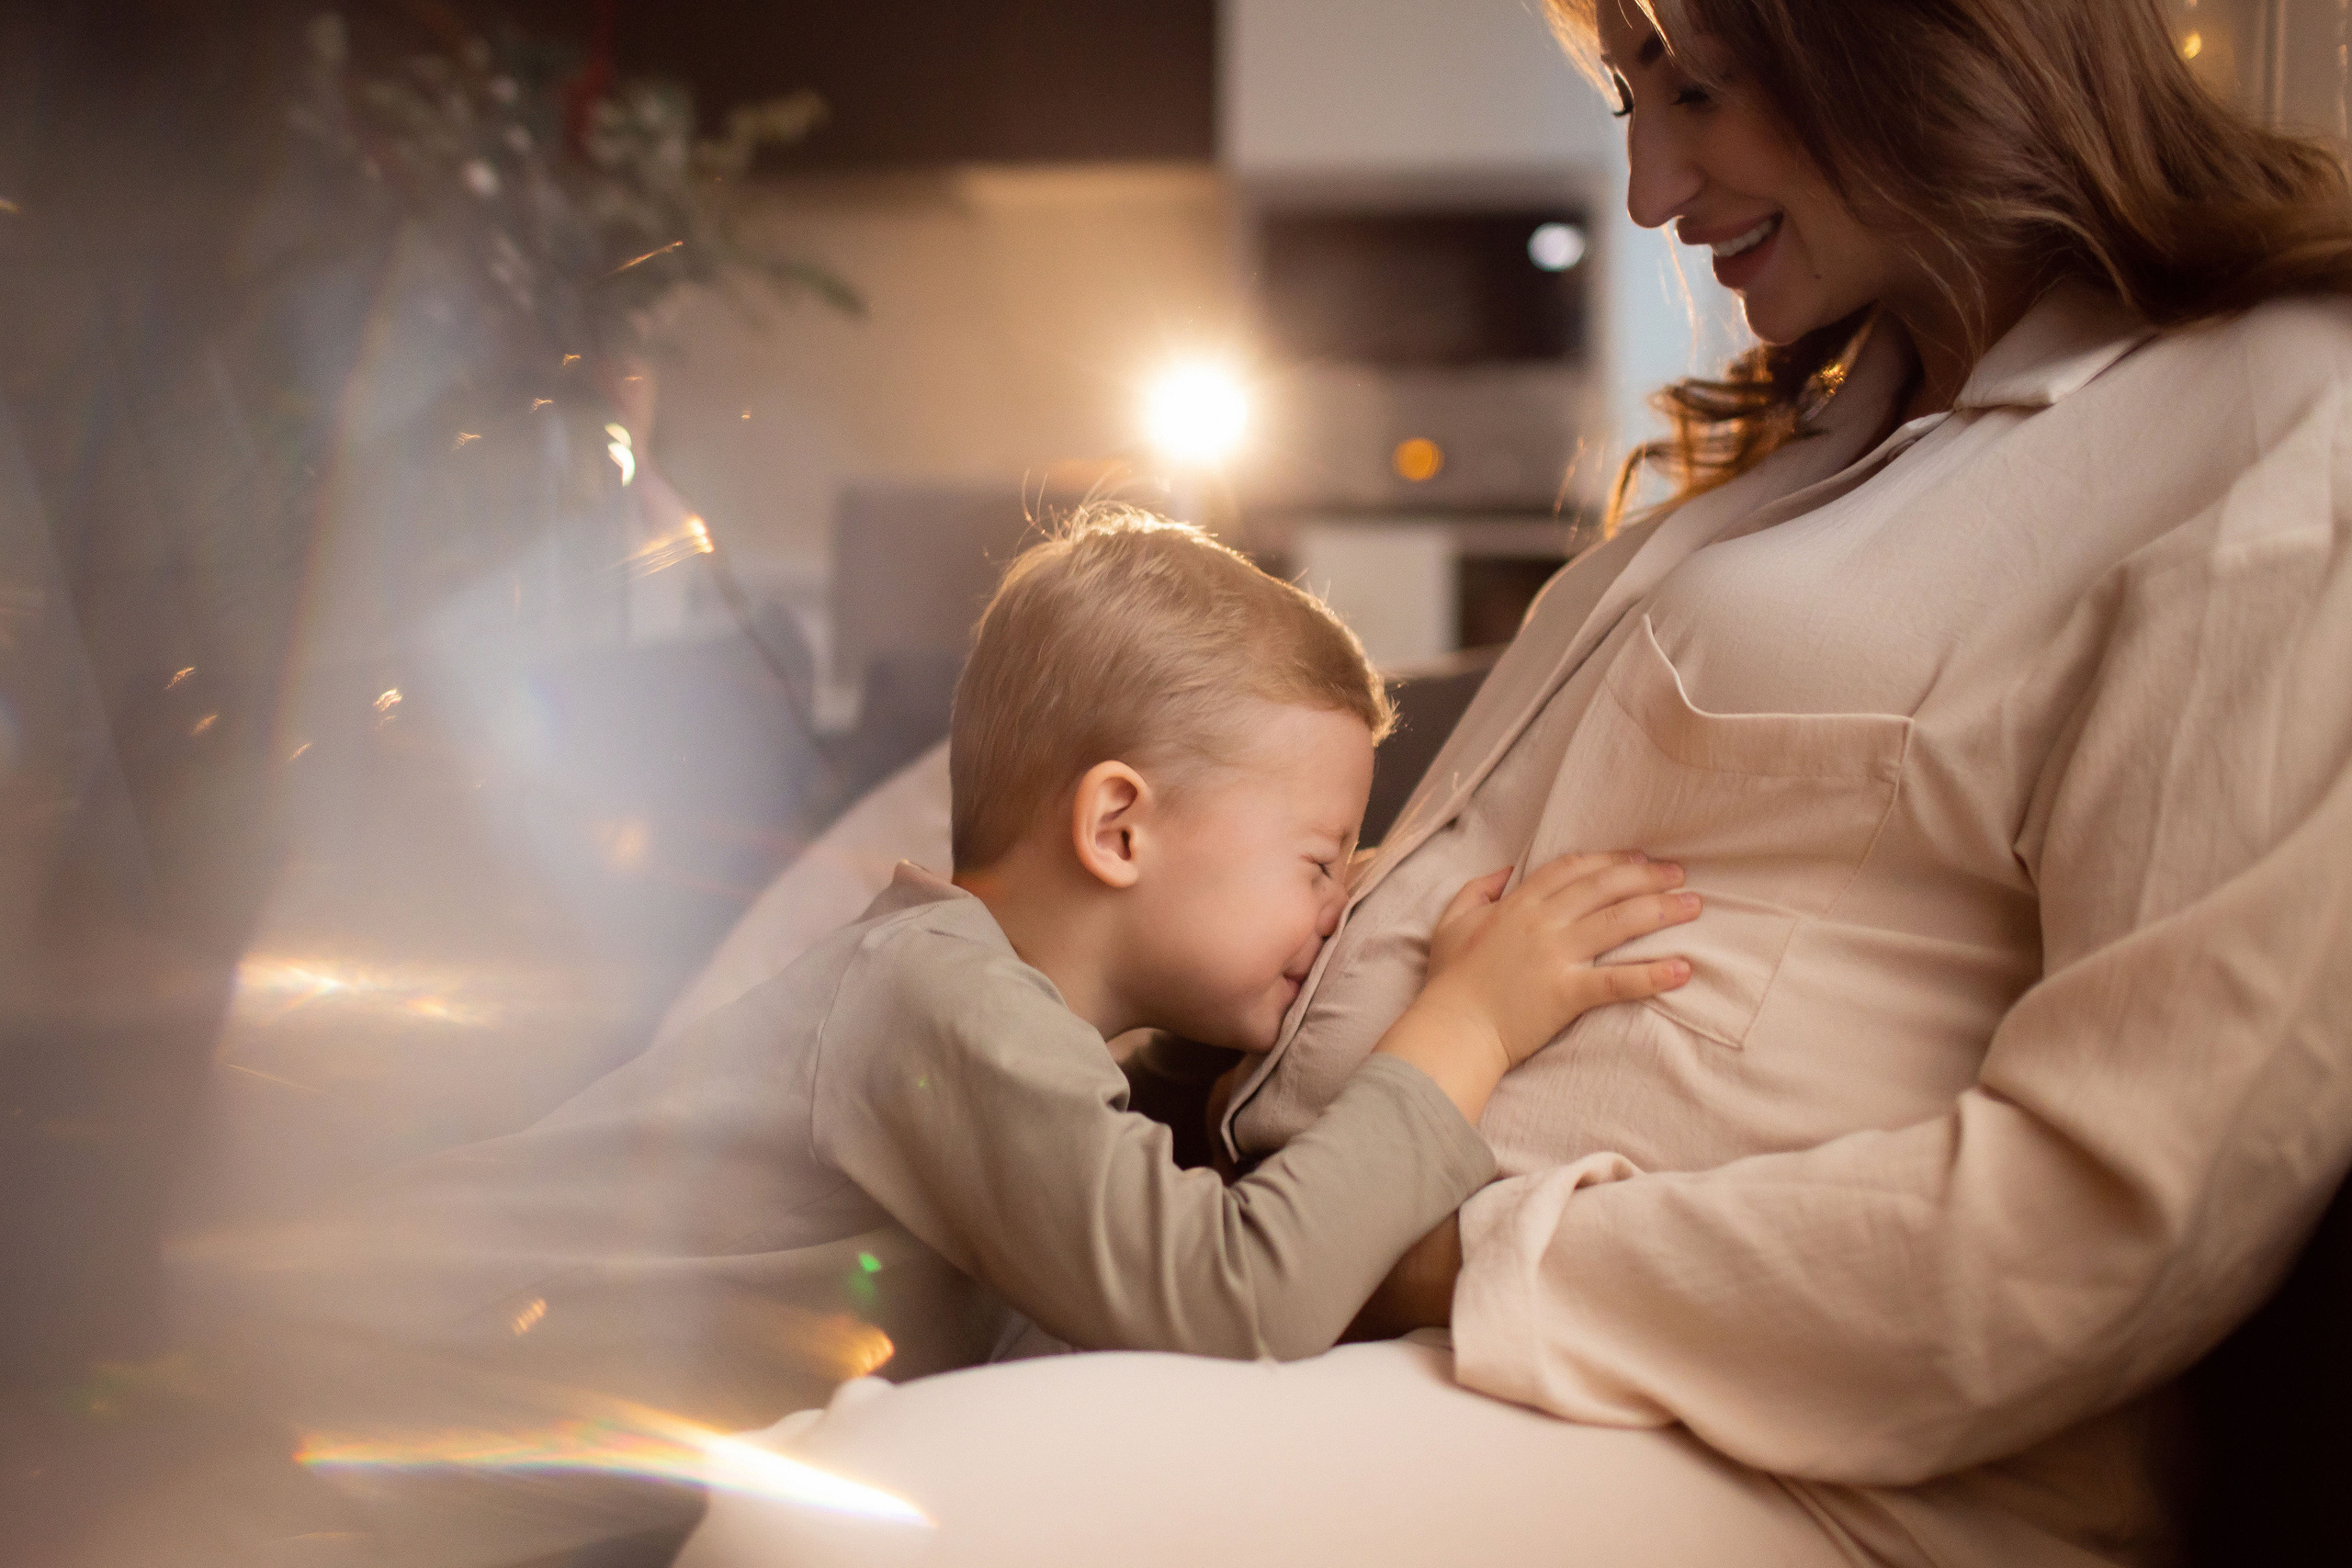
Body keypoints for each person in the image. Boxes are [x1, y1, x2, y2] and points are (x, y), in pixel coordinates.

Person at [679, 3, 2352, 1565]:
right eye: (1630, 101)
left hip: (1770, 1439)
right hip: (1329, 1273)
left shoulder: (2272, 428)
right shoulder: (1851, 434)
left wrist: (1435, 1247)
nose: (1648, 189)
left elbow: (2089, 1223)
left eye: (1691, 81)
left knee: (830, 1529)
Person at [230, 511, 1696, 1436]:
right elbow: (1229, 1296)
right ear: (1118, 825)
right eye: (1321, 864)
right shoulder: (933, 1000)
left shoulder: (1018, 1028)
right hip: (335, 1401)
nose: (1336, 908)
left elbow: (1144, 1176)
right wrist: (1465, 1020)